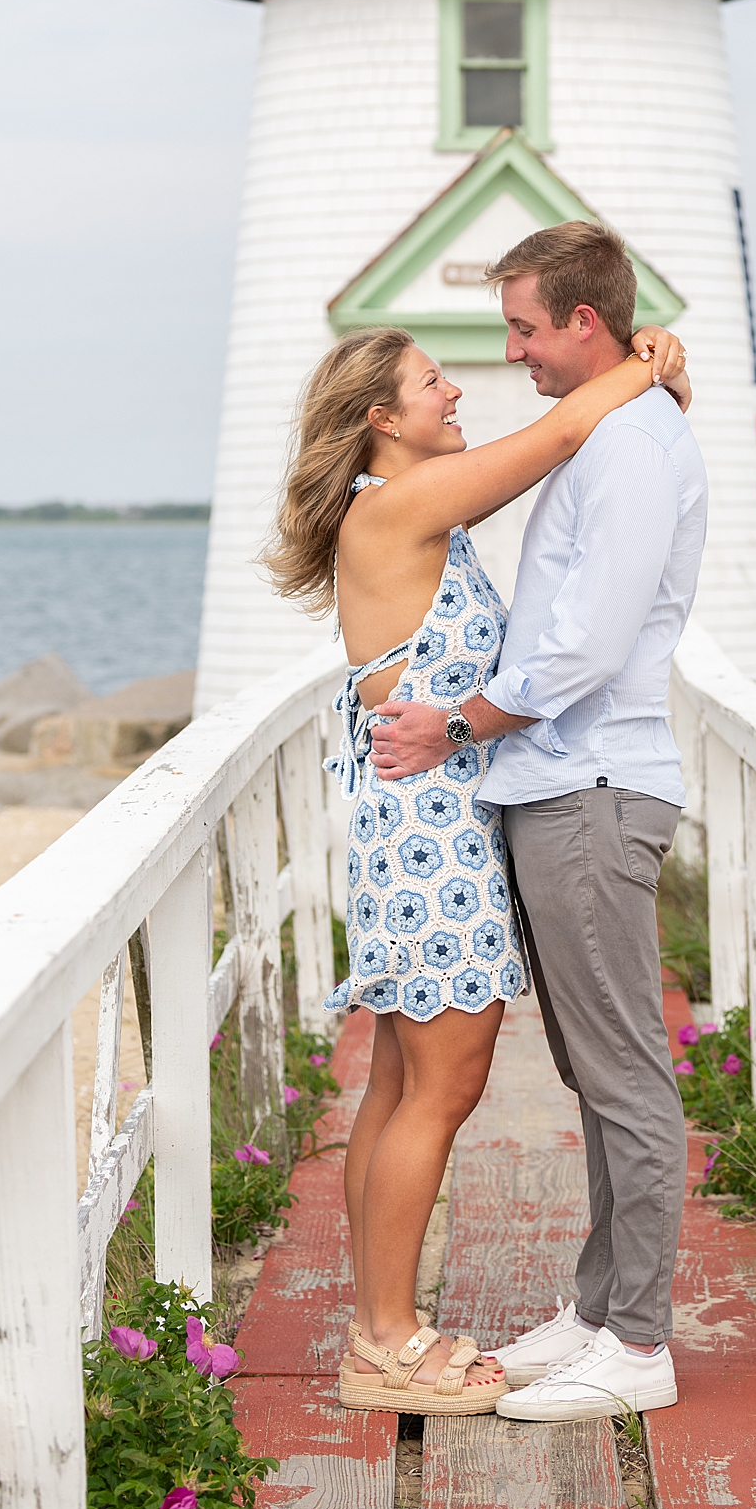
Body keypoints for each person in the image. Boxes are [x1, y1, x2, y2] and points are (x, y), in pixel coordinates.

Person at [262, 313, 688, 1415]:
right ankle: (391, 1342)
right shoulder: (400, 504)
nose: (458, 393)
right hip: (431, 838)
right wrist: (644, 366)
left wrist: (651, 377)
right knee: (439, 1091)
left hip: (414, 833)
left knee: (401, 1087)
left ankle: (374, 1330)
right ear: (379, 419)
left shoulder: (401, 518)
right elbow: (552, 445)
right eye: (434, 382)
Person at [371, 220, 708, 1423]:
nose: (511, 351)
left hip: (592, 789)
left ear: (583, 319)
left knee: (623, 1074)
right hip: (563, 789)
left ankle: (640, 1344)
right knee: (590, 1064)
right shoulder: (615, 424)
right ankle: (598, 1308)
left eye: (523, 327)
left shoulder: (625, 445)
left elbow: (585, 643)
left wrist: (456, 723)